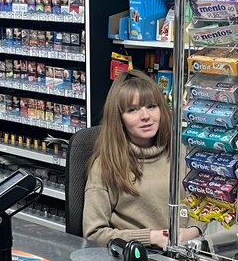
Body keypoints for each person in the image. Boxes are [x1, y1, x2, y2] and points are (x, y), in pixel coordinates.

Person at [83, 70, 201, 249]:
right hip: (138, 256)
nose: (145, 116)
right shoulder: (106, 166)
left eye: (152, 106)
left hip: (185, 251)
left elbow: (200, 203)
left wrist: (193, 230)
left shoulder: (181, 152)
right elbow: (93, 233)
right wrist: (152, 238)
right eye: (132, 110)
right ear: (119, 119)